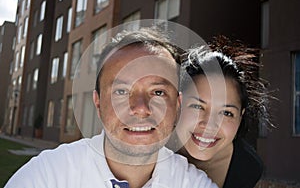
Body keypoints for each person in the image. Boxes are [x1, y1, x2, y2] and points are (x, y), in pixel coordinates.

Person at [5, 27, 218, 188]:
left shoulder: (192, 183)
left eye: (158, 92)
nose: (141, 109)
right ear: (98, 103)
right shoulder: (47, 177)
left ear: (177, 106)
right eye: (121, 92)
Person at [173, 36, 274, 188]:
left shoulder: (247, 169)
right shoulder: (150, 145)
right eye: (197, 106)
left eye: (226, 113)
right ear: (178, 104)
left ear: (241, 117)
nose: (209, 125)